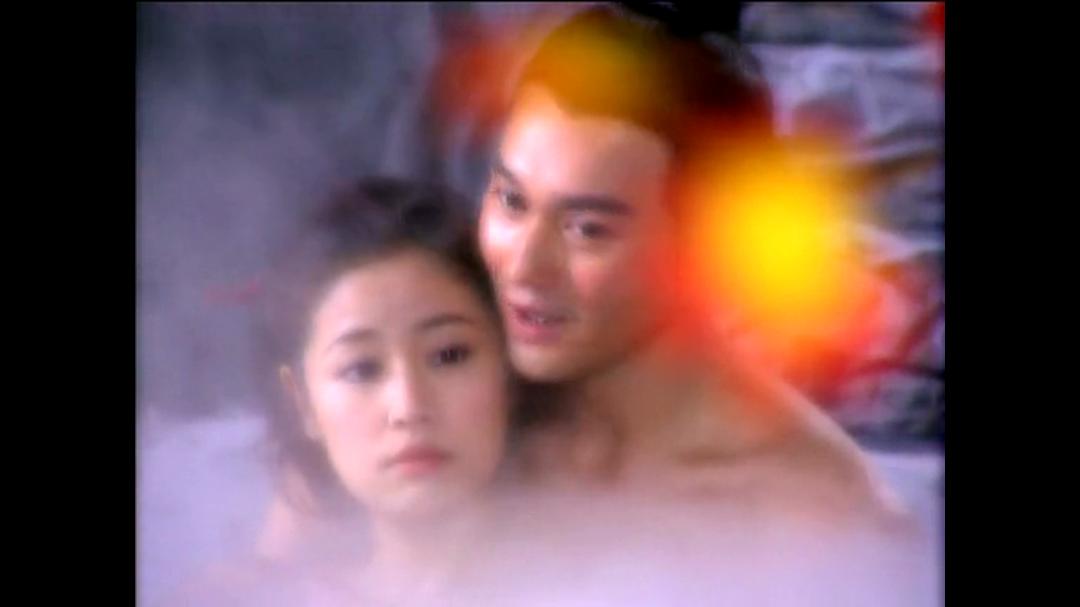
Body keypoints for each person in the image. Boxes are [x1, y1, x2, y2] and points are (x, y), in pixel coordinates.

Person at [475, 4, 908, 532]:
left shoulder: (818, 522)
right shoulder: (464, 438)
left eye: (586, 229)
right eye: (512, 201)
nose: (524, 267)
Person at [168, 176, 516, 606]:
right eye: (361, 369)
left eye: (448, 355)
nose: (409, 406)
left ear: (508, 368)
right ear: (302, 403)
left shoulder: (587, 578)